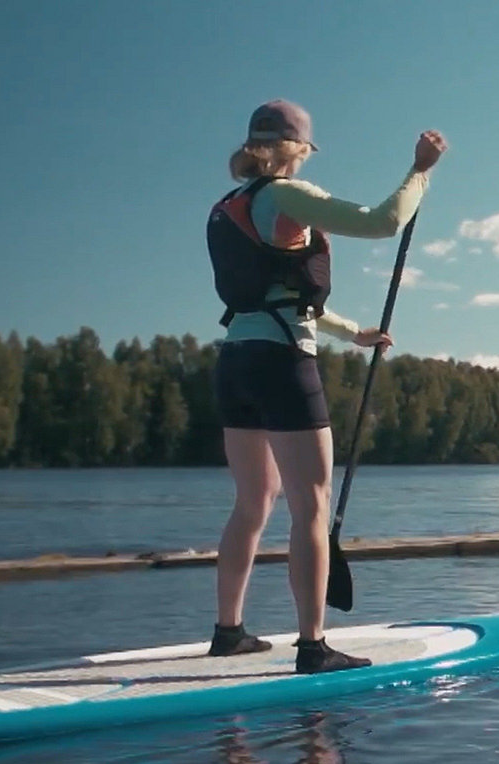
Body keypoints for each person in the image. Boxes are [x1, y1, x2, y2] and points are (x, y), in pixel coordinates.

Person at [206, 99, 445, 672]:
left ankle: (228, 631)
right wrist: (420, 172)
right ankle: (313, 646)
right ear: (297, 150)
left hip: (236, 360)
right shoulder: (288, 195)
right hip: (283, 363)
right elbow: (384, 221)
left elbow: (272, 293)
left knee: (252, 501)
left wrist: (349, 333)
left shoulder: (226, 206)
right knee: (311, 505)